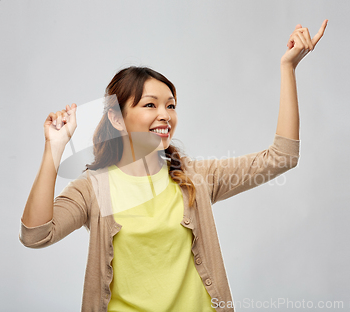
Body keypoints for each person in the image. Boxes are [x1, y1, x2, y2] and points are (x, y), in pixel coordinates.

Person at [19, 20, 328, 312]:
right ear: (116, 118)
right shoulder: (93, 189)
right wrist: (54, 149)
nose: (165, 114)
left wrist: (288, 67)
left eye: (170, 105)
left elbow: (282, 157)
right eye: (150, 104)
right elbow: (35, 236)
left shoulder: (196, 177)